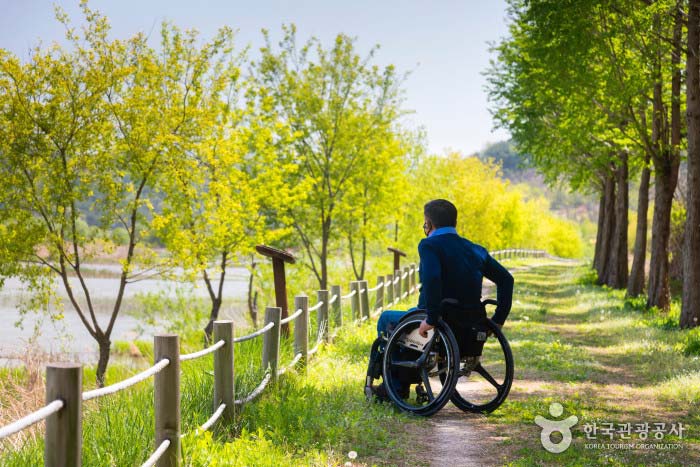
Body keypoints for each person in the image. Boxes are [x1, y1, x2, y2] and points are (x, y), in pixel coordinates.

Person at [370, 199, 514, 400]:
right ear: (453, 222)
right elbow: (506, 280)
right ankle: (404, 378)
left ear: (428, 224)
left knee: (386, 319)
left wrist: (431, 318)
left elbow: (433, 278)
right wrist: (498, 320)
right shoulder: (475, 249)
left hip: (438, 319)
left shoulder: (429, 245)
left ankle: (395, 385)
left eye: (424, 223)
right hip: (471, 322)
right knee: (409, 318)